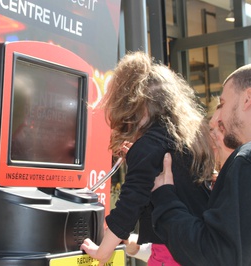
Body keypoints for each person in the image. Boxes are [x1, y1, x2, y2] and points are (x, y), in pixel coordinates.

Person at [151, 61, 251, 265]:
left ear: (248, 98)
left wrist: (165, 199)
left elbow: (215, 256)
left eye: (222, 103)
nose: (219, 116)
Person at [80, 51, 215, 265]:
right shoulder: (187, 140)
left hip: (171, 255)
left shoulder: (149, 146)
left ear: (131, 102)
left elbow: (131, 202)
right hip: (197, 248)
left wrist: (103, 251)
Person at [124, 107, 234, 263]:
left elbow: (201, 248)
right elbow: (174, 245)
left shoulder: (229, 187)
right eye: (211, 129)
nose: (213, 136)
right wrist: (138, 249)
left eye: (220, 129)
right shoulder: (204, 181)